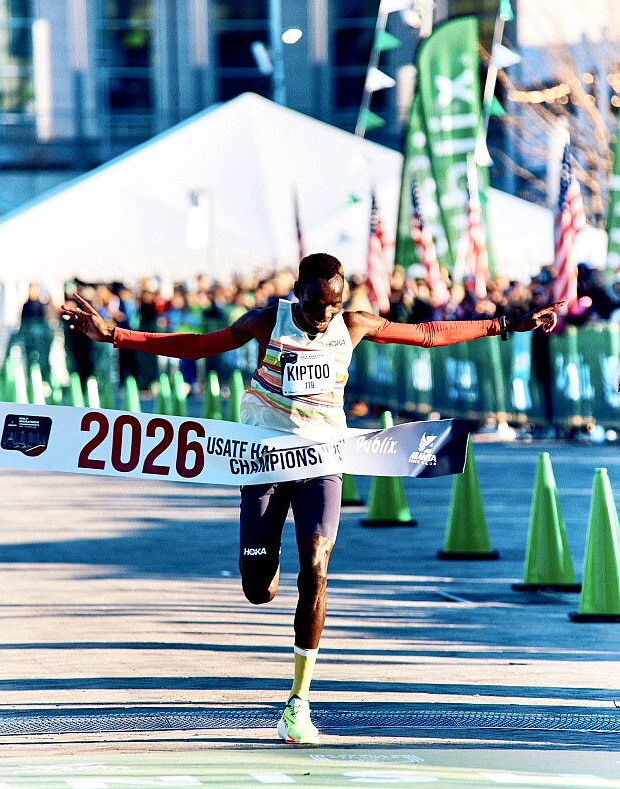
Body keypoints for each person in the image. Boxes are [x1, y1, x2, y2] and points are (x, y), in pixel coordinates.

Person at [62, 253, 562, 745]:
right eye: (318, 305)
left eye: (334, 305)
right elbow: (197, 346)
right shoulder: (266, 322)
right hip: (263, 459)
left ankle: (298, 703)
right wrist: (114, 335)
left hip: (322, 461)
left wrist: (506, 324)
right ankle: (266, 558)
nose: (326, 316)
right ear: (298, 292)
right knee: (257, 588)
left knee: (317, 569)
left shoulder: (353, 325)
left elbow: (427, 334)